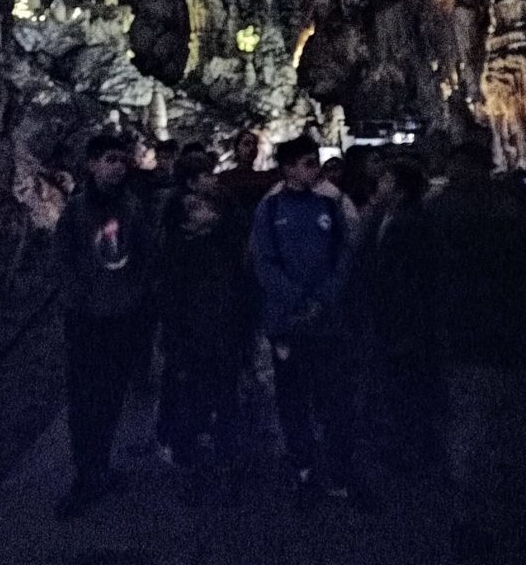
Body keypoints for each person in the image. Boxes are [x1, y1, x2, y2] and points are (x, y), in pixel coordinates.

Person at [54, 133, 160, 518]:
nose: (116, 167)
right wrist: (77, 298)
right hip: (85, 320)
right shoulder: (76, 210)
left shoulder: (132, 207)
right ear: (92, 164)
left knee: (112, 396)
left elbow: (147, 255)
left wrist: (135, 296)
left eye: (121, 160)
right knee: (85, 400)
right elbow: (63, 259)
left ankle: (99, 464)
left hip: (122, 317)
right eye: (109, 159)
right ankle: (87, 472)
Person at [252, 134, 354, 498]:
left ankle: (338, 466)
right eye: (308, 163)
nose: (316, 170)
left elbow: (345, 254)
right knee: (292, 398)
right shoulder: (270, 209)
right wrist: (298, 299)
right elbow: (263, 261)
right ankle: (304, 466)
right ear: (288, 169)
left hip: (326, 321)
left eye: (315, 162)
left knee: (332, 396)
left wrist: (323, 297)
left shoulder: (329, 205)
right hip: (288, 322)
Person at [158, 152, 246, 484]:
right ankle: (187, 450)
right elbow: (172, 298)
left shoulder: (217, 236)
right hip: (194, 333)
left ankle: (221, 448)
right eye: (206, 176)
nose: (207, 210)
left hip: (220, 328)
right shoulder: (179, 252)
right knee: (193, 393)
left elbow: (236, 227)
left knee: (221, 391)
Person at [365, 158, 438, 470]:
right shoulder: (388, 218)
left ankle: (413, 449)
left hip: (405, 319)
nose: (379, 186)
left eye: (385, 181)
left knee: (408, 386)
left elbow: (408, 277)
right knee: (401, 386)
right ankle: (407, 446)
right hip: (395, 317)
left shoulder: (409, 223)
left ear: (398, 189)